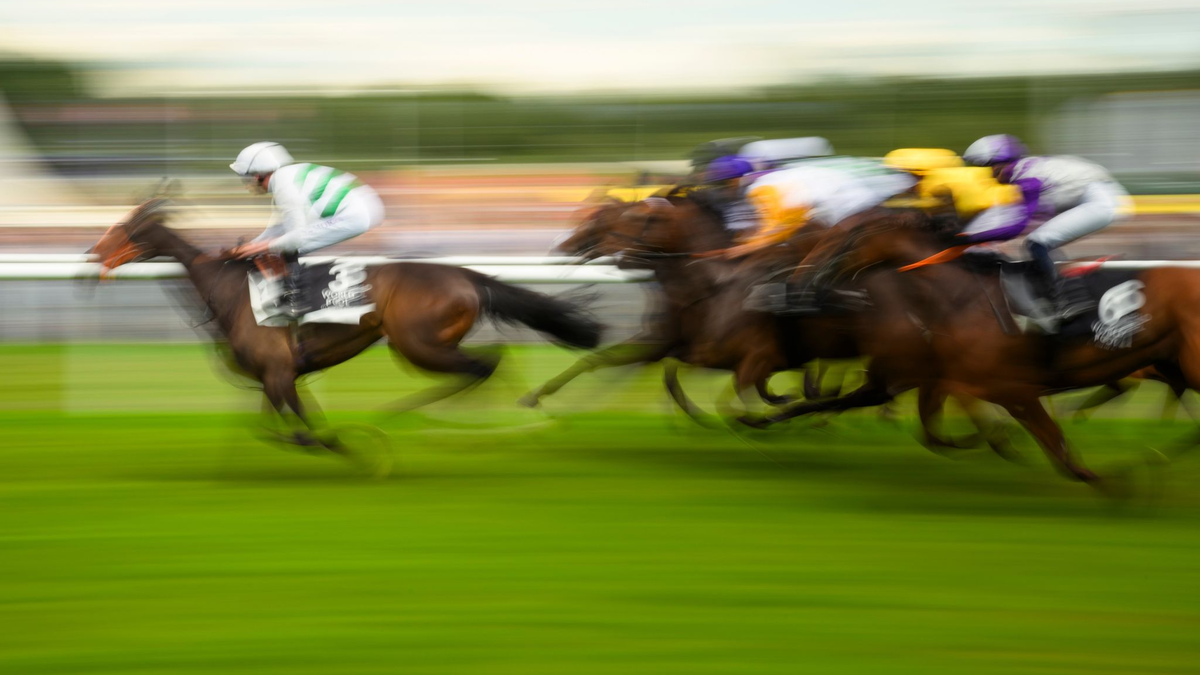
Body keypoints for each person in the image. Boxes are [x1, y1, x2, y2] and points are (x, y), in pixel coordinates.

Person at [961, 134, 1131, 324]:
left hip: (1100, 202)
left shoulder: (1027, 178)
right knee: (1043, 241)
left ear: (1005, 163)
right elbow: (1019, 220)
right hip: (1101, 196)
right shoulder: (1027, 170)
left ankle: (1067, 301)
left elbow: (1016, 227)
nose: (991, 175)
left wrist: (969, 238)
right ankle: (1068, 292)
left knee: (1036, 243)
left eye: (992, 168)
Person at [228, 142, 385, 315]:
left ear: (258, 175)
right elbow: (278, 229)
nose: (247, 184)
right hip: (364, 207)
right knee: (280, 244)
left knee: (288, 245)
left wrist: (257, 247)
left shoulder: (284, 186)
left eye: (247, 178)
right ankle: (293, 294)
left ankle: (296, 300)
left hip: (358, 214)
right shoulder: (284, 178)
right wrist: (251, 245)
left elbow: (295, 238)